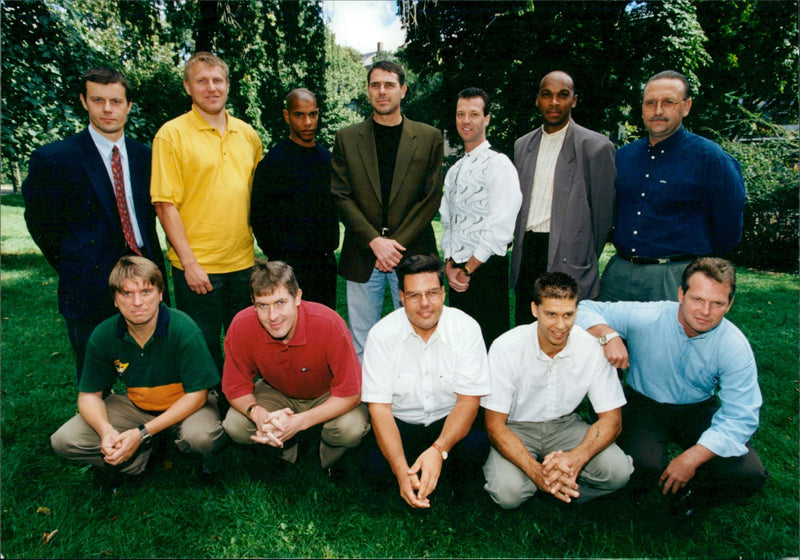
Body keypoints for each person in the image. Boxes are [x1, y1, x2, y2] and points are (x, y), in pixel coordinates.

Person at [577, 258, 769, 515]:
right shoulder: (649, 316)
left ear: (730, 304)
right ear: (681, 294)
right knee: (642, 467)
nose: (705, 311)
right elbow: (583, 308)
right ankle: (634, 488)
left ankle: (691, 497)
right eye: (697, 299)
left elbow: (741, 415)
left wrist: (693, 457)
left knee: (749, 473)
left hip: (698, 408)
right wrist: (607, 335)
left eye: (717, 303)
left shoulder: (734, 345)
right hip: (644, 405)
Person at [22, 67, 167, 380]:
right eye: (98, 100)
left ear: (128, 105)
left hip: (145, 272)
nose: (107, 109)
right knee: (95, 369)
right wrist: (74, 262)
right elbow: (40, 223)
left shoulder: (147, 157)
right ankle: (99, 426)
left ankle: (157, 425)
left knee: (156, 362)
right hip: (88, 281)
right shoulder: (55, 158)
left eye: (116, 101)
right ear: (84, 101)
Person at [50, 256, 225, 483]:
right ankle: (137, 458)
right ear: (115, 299)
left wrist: (142, 432)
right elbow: (88, 395)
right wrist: (106, 432)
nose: (137, 302)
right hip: (137, 405)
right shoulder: (104, 334)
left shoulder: (183, 328)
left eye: (146, 292)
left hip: (186, 405)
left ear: (160, 294)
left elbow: (197, 395)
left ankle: (204, 462)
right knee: (64, 439)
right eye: (126, 294)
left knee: (202, 437)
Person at [151, 52, 263, 372]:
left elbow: (255, 198)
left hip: (242, 263)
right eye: (202, 81)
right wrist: (189, 264)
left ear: (228, 85)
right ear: (188, 86)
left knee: (243, 343)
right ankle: (209, 409)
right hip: (198, 268)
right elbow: (164, 203)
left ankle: (238, 404)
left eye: (217, 80)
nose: (211, 88)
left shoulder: (248, 135)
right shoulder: (171, 135)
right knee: (203, 346)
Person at [483, 272, 633, 509]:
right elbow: (494, 425)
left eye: (568, 315)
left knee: (618, 472)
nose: (560, 325)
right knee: (507, 494)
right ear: (535, 309)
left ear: (577, 312)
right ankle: (550, 483)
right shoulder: (506, 347)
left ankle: (561, 487)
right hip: (517, 427)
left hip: (565, 425)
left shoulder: (591, 348)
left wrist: (576, 458)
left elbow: (612, 420)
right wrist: (535, 471)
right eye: (551, 314)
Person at [599, 70, 746, 302]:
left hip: (675, 277)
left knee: (669, 339)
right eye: (650, 103)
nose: (658, 111)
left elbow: (728, 231)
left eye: (668, 102)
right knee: (605, 337)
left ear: (686, 106)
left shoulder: (711, 159)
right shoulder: (622, 157)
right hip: (619, 273)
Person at [331, 60, 444, 360]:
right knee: (363, 341)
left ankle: (418, 403)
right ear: (368, 90)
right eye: (375, 85)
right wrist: (374, 241)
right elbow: (341, 195)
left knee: (417, 333)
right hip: (362, 252)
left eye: (389, 85)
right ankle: (368, 405)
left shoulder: (429, 138)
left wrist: (393, 245)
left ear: (403, 90)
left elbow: (430, 198)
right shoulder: (347, 138)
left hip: (413, 253)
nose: (382, 91)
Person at [361, 255, 491, 508]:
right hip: (402, 423)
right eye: (413, 295)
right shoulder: (381, 335)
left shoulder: (466, 328)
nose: (424, 304)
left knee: (475, 446)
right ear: (401, 297)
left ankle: (445, 476)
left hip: (449, 421)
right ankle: (410, 476)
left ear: (443, 293)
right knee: (373, 465)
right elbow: (379, 408)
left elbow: (468, 403)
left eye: (431, 293)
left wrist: (438, 450)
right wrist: (399, 469)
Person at [221, 260, 369, 474]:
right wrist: (258, 414)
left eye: (280, 302)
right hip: (277, 390)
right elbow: (235, 387)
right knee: (235, 425)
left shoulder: (328, 323)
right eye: (263, 305)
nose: (273, 316)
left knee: (351, 428)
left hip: (326, 393)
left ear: (297, 297)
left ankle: (327, 457)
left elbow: (351, 392)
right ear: (253, 303)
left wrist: (300, 422)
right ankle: (287, 450)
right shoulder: (241, 325)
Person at [510, 71, 615, 325]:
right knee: (528, 329)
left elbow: (603, 218)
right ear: (537, 100)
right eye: (547, 95)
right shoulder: (522, 145)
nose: (554, 103)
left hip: (568, 253)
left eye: (562, 96)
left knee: (564, 332)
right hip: (528, 251)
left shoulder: (596, 147)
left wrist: (582, 253)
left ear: (574, 101)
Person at [440, 87, 521, 347]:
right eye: (460, 114)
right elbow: (448, 221)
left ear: (486, 119)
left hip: (485, 271)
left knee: (489, 346)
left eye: (474, 114)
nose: (466, 120)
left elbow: (501, 227)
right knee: (461, 346)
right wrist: (450, 264)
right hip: (457, 274)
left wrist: (467, 269)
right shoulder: (454, 170)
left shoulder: (498, 164)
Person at [250, 88, 339, 309]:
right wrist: (277, 256)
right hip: (286, 266)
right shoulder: (273, 163)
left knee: (321, 325)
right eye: (299, 115)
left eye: (313, 114)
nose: (308, 122)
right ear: (287, 116)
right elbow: (259, 216)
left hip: (323, 264)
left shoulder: (328, 160)